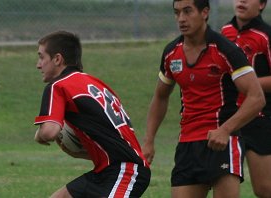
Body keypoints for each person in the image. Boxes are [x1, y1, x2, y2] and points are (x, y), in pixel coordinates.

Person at [142, 0, 266, 197]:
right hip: (188, 144)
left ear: (205, 12)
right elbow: (160, 97)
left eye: (188, 11)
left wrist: (225, 130)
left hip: (223, 142)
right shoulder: (171, 53)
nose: (181, 19)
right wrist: (149, 140)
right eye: (177, 13)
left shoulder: (226, 50)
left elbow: (256, 98)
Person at [33, 31, 150, 198]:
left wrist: (39, 135)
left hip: (125, 171)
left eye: (41, 57)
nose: (38, 64)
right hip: (108, 170)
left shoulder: (58, 86)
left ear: (57, 59)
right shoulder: (95, 84)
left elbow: (49, 131)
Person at [221, 0, 271, 197]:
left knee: (264, 189)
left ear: (262, 5)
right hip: (228, 118)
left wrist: (248, 84)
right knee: (223, 181)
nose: (241, 1)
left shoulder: (265, 35)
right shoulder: (224, 32)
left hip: (259, 118)